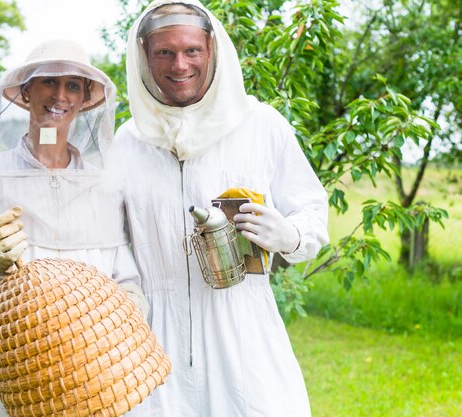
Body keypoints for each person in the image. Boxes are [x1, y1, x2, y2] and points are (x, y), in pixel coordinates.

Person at [108, 1, 329, 416]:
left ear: (212, 50)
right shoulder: (126, 141)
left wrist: (291, 235)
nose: (179, 65)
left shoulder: (262, 126)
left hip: (243, 334)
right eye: (164, 52)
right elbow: (111, 236)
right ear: (143, 55)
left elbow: (312, 212)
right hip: (150, 341)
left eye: (192, 50)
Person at [0, 39, 147, 417]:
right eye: (48, 82)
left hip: (94, 377)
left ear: (86, 98)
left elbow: (128, 281)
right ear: (26, 92)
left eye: (73, 85)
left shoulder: (104, 185)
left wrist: (112, 327)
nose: (60, 95)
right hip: (10, 375)